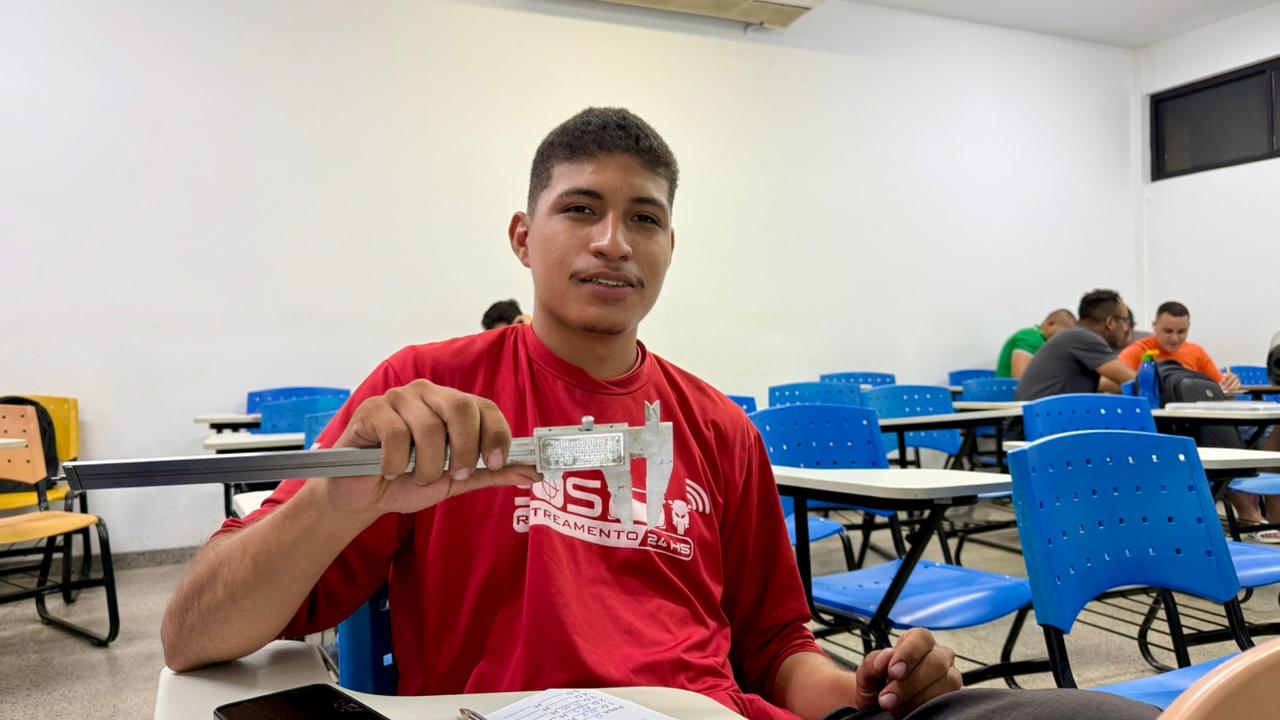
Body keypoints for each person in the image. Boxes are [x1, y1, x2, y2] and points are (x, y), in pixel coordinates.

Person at [161, 109, 1157, 720]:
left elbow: (774, 651)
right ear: (522, 236)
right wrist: (338, 504)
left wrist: (864, 690)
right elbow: (191, 636)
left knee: (1086, 718)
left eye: (643, 217)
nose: (613, 241)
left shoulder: (717, 428)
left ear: (670, 246)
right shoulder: (426, 395)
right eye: (579, 209)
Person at [1014, 289, 1137, 401]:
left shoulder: (1074, 336)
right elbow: (1135, 381)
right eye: (1125, 321)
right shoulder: (1084, 338)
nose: (1127, 329)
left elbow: (1121, 383)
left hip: (1041, 414)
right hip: (1044, 416)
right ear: (1110, 322)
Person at [1117, 302, 1241, 393]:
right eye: (1168, 331)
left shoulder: (1196, 352)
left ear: (1189, 327)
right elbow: (1110, 385)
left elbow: (1221, 387)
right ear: (1154, 325)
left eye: (1181, 332)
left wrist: (1230, 384)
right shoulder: (1137, 351)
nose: (1174, 338)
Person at [995, 309, 1075, 379]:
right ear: (1051, 324)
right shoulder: (1031, 338)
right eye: (1064, 334)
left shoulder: (1041, 341)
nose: (1064, 339)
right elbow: (1019, 380)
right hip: (1009, 391)